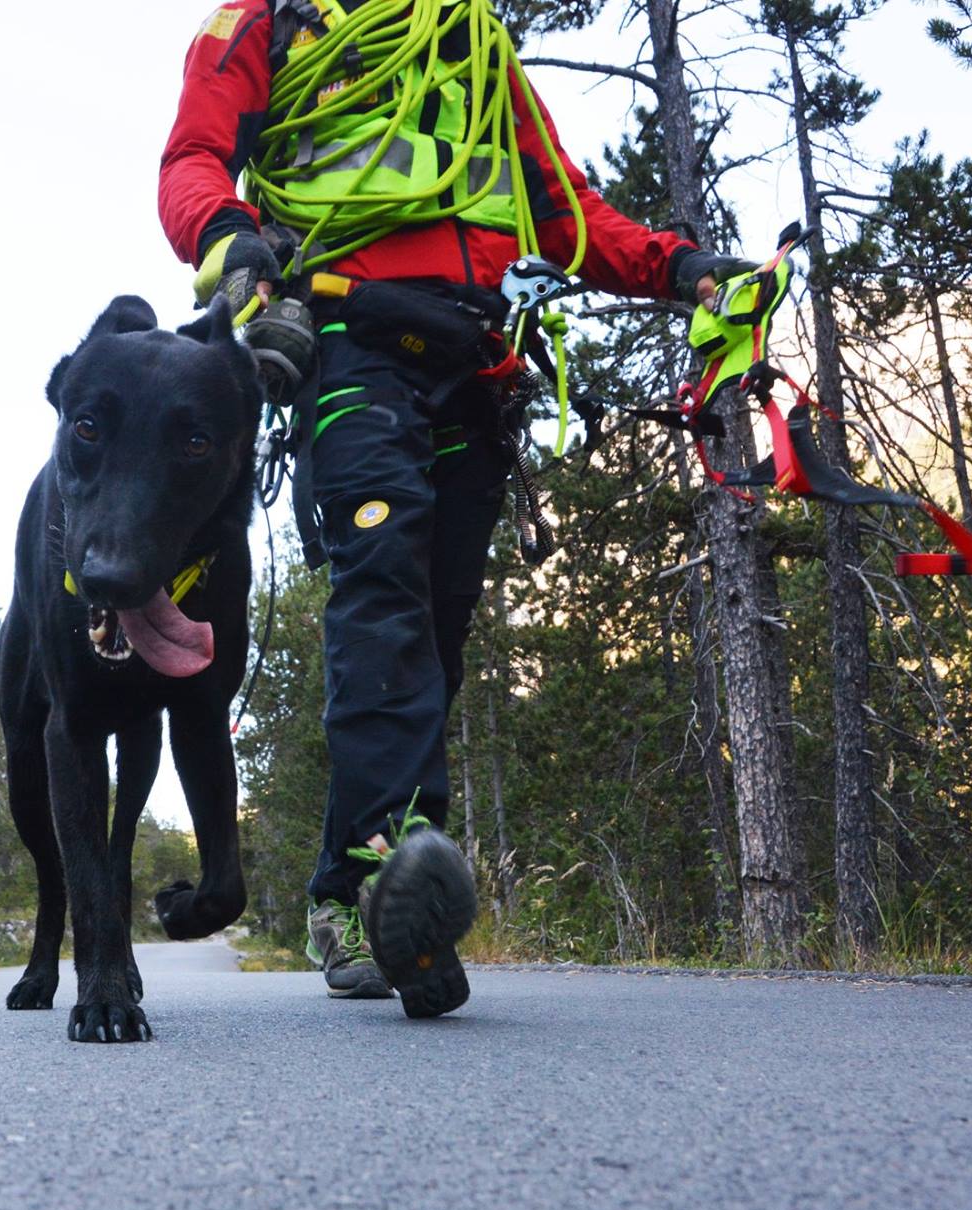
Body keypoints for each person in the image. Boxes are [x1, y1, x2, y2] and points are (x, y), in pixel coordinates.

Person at [158, 0, 739, 1017]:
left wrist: (679, 268)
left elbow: (560, 210)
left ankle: (346, 890)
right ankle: (386, 872)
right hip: (347, 338)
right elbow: (193, 161)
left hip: (474, 359)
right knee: (381, 587)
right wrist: (233, 242)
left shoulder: (467, 37)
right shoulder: (265, 22)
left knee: (434, 629)